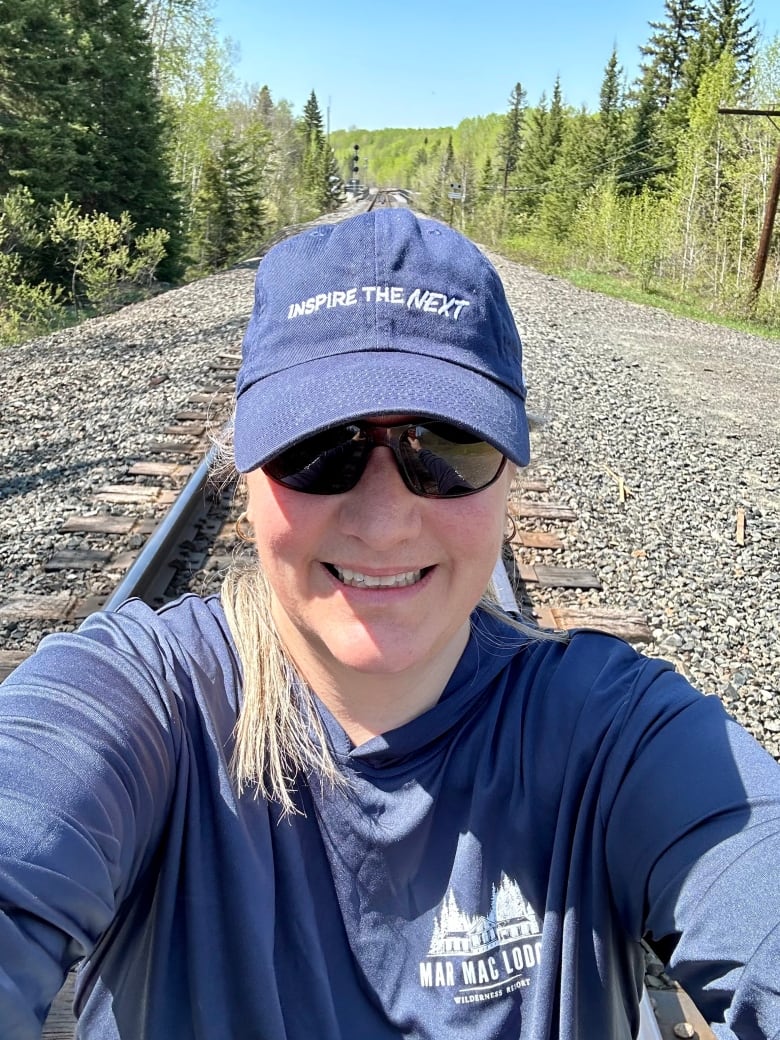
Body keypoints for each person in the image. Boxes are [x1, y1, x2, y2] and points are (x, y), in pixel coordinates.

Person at [0, 208, 778, 1040]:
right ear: (246, 475)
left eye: (445, 446)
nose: (382, 520)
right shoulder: (142, 702)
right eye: (318, 446)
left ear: (509, 471)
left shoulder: (616, 733)